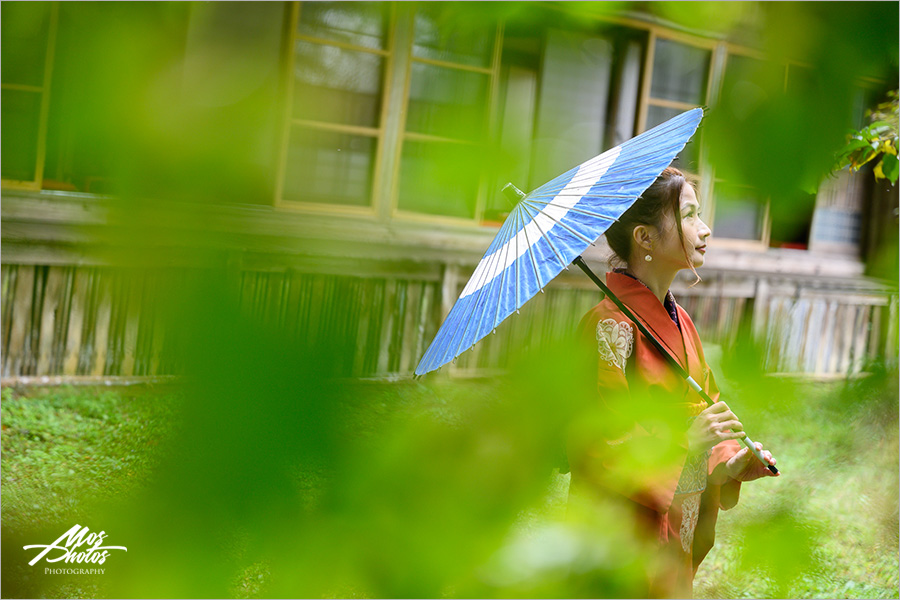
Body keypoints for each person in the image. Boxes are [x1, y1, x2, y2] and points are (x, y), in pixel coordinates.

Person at [566, 166, 778, 598]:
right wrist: (683, 441)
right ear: (644, 238)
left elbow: (708, 406)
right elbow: (601, 438)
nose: (705, 228)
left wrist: (730, 459)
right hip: (625, 523)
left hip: (678, 509)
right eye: (689, 216)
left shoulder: (679, 319)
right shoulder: (609, 327)